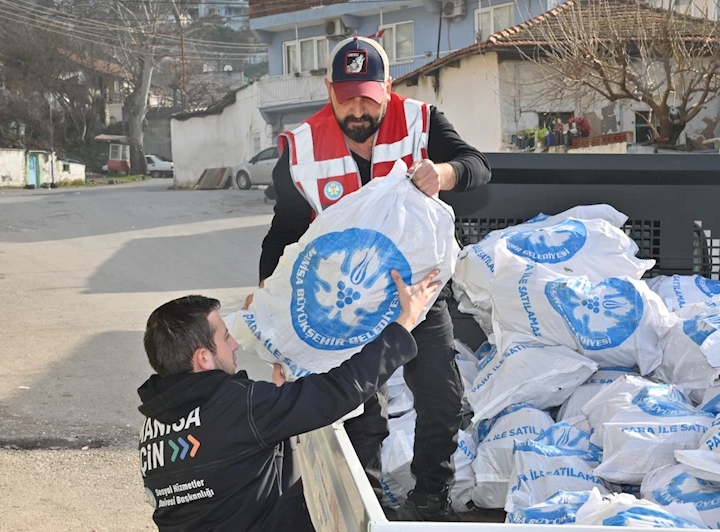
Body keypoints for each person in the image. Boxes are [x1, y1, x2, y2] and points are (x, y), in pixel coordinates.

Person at [257, 36, 492, 522]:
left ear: (388, 87)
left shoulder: (422, 123)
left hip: (417, 292)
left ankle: (431, 493)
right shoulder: (301, 148)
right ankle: (369, 498)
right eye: (347, 97)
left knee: (442, 396)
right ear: (329, 90)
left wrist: (444, 174)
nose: (358, 108)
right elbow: (284, 233)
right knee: (360, 408)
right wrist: (271, 317)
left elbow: (478, 167)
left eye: (369, 95)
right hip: (347, 303)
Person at [137, 269, 443, 532]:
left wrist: (277, 402)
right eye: (225, 337)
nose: (234, 345)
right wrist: (405, 322)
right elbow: (337, 392)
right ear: (203, 358)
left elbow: (229, 464)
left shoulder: (152, 428)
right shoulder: (240, 407)